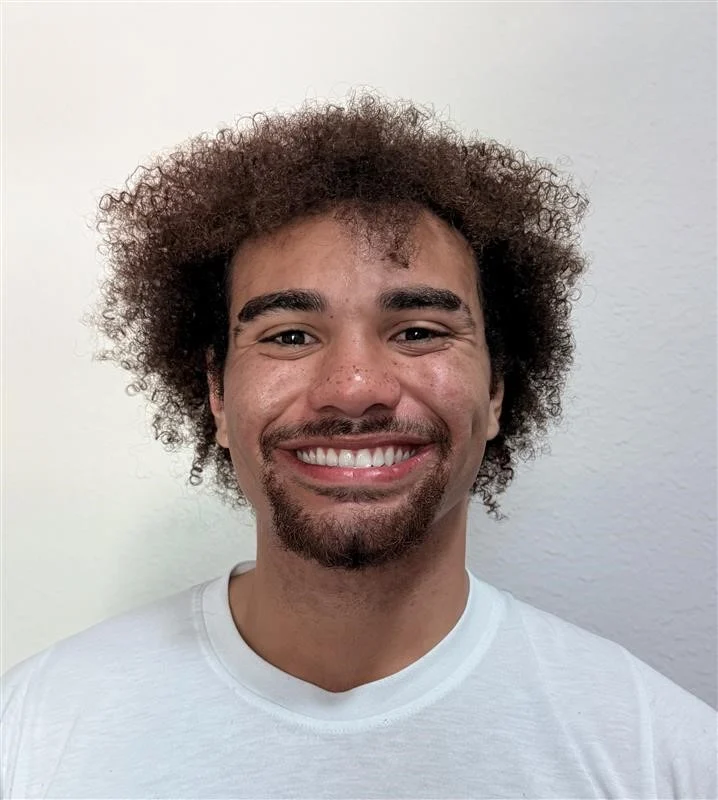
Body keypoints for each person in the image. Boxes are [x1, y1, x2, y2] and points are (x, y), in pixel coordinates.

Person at [1, 95, 715, 799]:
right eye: (288, 335)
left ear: (496, 389)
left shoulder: (663, 759)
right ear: (217, 393)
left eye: (418, 331)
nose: (353, 387)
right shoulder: (31, 734)